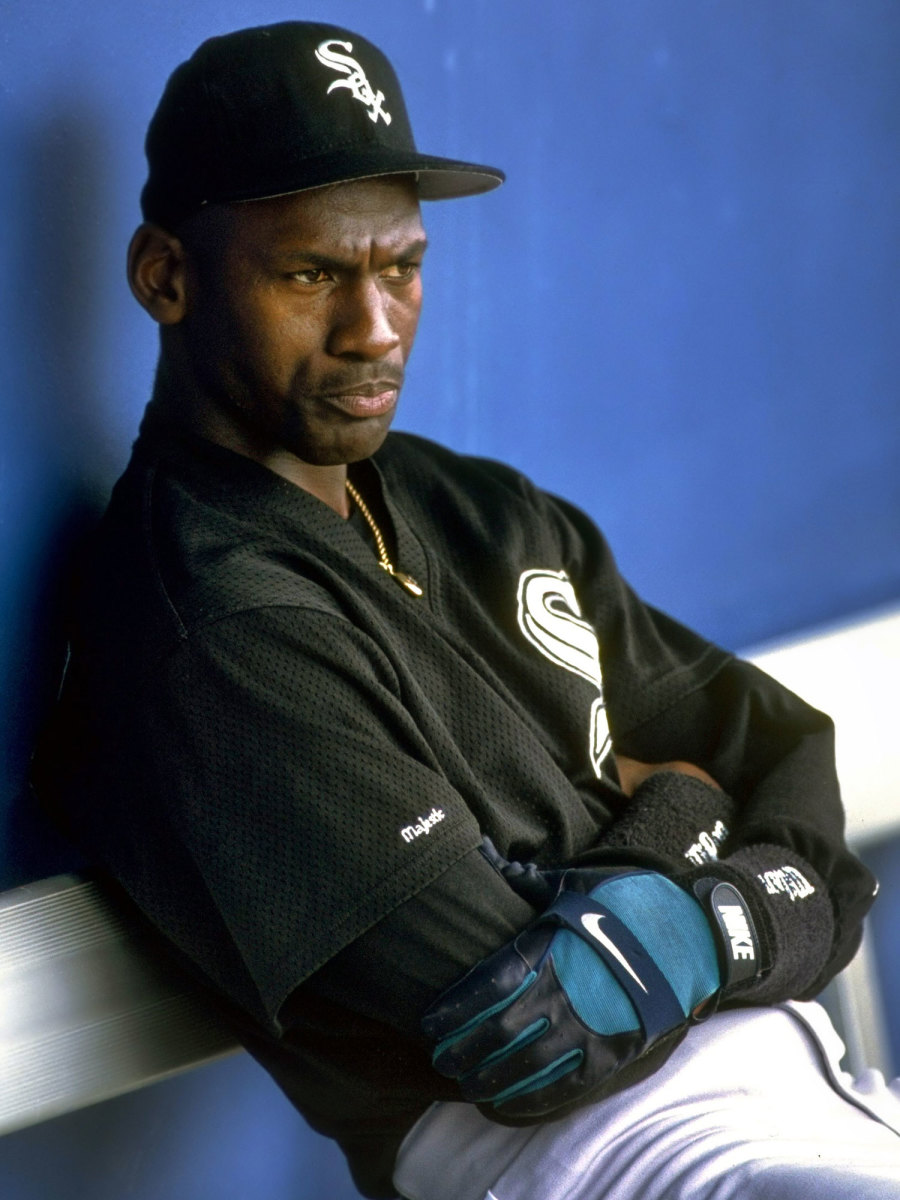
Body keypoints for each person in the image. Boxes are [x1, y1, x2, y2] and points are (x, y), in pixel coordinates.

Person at [32, 20, 900, 1200]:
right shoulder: (209, 625)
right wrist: (697, 822)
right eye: (310, 276)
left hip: (812, 1098)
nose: (376, 327)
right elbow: (530, 1031)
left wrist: (690, 925)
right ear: (165, 276)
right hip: (603, 1161)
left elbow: (784, 749)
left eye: (402, 266)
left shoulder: (480, 509)